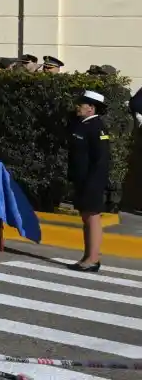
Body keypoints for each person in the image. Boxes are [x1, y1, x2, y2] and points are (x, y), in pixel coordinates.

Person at [69, 89, 111, 272]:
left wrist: (93, 183)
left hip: (92, 180)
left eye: (82, 104)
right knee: (86, 218)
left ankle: (93, 258)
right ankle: (87, 256)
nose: (77, 106)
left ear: (91, 108)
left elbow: (101, 159)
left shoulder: (96, 127)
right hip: (83, 179)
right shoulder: (83, 124)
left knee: (92, 218)